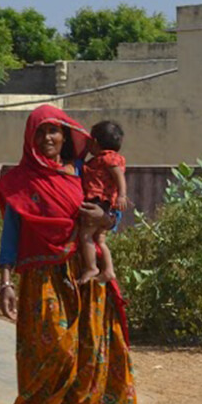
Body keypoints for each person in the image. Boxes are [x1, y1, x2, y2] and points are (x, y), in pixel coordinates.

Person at [0, 105, 139, 404]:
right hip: (42, 277)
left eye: (54, 132)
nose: (48, 139)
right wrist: (5, 283)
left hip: (86, 275)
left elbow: (111, 216)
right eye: (40, 133)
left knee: (88, 357)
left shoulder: (83, 172)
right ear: (30, 139)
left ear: (66, 136)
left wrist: (106, 218)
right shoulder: (20, 182)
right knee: (58, 350)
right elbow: (11, 235)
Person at [73, 120, 128, 286]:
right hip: (105, 206)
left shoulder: (108, 159)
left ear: (95, 142)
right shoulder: (103, 160)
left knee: (85, 235)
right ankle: (109, 270)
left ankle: (91, 268)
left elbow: (119, 176)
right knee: (100, 239)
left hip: (98, 202)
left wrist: (122, 195)